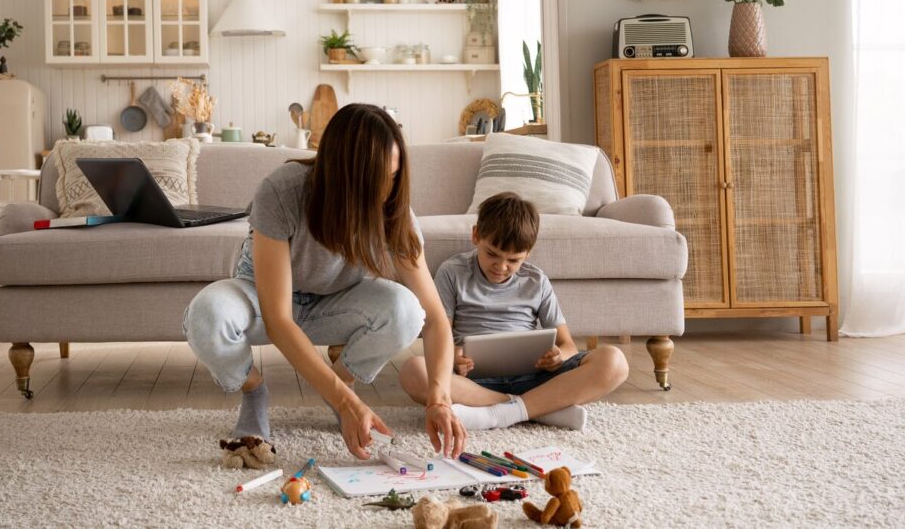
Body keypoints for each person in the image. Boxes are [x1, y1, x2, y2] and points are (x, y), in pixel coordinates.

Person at [183, 103, 466, 459]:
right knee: (206, 316)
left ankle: (338, 382)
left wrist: (439, 400)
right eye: (375, 182)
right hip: (262, 298)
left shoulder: (393, 211)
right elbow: (278, 320)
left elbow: (436, 318)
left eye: (393, 178)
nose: (385, 194)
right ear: (339, 174)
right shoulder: (282, 191)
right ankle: (254, 391)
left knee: (407, 311)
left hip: (336, 303)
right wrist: (348, 405)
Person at [399, 191, 629, 431]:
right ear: (476, 235)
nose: (501, 266)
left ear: (528, 252)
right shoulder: (452, 272)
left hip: (534, 378)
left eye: (513, 260)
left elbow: (567, 344)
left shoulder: (536, 280)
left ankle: (502, 412)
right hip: (475, 381)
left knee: (615, 362)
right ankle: (537, 410)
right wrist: (456, 356)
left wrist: (558, 356)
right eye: (492, 254)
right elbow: (439, 333)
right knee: (414, 370)